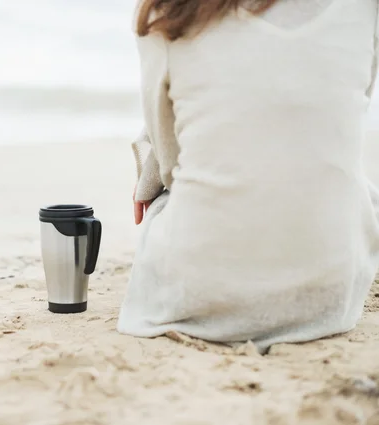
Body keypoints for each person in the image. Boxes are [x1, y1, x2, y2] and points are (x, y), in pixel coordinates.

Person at [117, 0, 379, 353]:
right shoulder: (363, 9)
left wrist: (148, 175)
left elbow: (170, 162)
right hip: (330, 296)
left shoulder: (169, 12)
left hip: (199, 296)